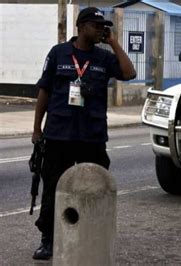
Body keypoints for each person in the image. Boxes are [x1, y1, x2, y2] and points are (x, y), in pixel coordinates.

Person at [31, 7, 136, 260]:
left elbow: (129, 73)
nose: (101, 29)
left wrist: (113, 42)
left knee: (95, 186)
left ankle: (94, 234)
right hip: (59, 133)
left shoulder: (103, 57)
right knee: (54, 188)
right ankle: (48, 239)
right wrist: (37, 128)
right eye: (96, 25)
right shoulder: (59, 54)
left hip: (91, 135)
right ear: (81, 26)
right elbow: (44, 91)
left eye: (103, 26)